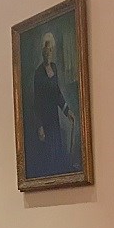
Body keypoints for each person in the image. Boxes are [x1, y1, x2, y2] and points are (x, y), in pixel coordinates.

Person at [32, 32, 75, 176]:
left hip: (54, 117)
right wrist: (40, 127)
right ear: (42, 51)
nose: (48, 52)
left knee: (57, 148)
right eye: (46, 49)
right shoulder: (38, 74)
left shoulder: (54, 69)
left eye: (50, 49)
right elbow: (36, 102)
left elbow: (57, 93)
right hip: (45, 118)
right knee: (48, 153)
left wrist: (67, 111)